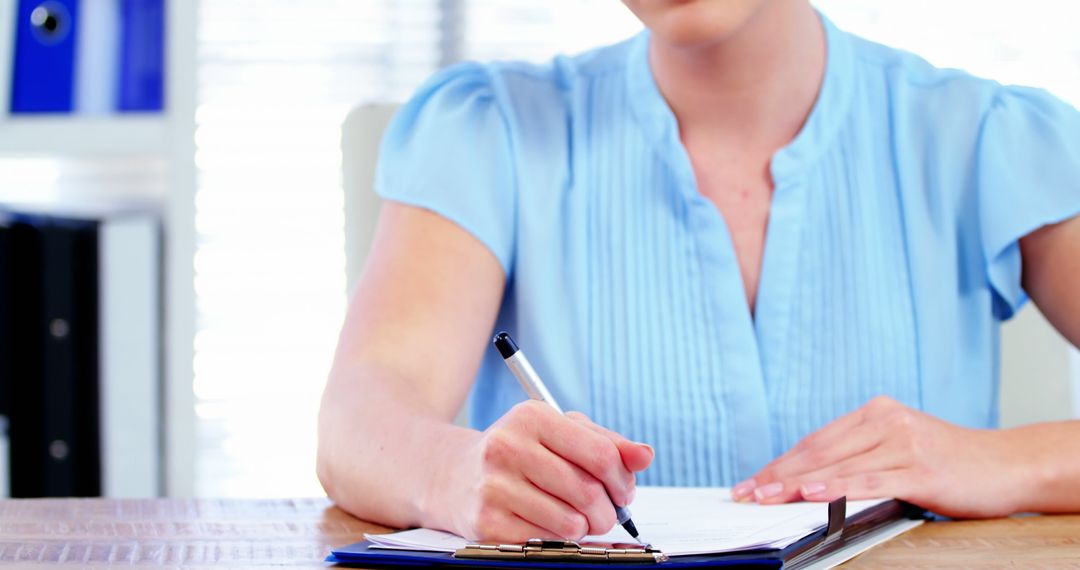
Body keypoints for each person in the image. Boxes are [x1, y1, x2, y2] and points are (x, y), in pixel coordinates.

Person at [317, 0, 1080, 543]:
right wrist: (458, 472)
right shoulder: (490, 129)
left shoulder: (987, 136)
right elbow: (360, 420)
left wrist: (995, 460)